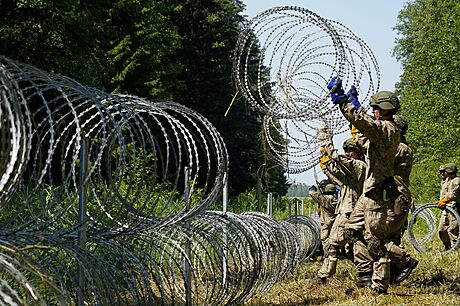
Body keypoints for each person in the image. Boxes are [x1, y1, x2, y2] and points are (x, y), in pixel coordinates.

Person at [328, 77, 400, 294]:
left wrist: (344, 103)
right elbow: (362, 135)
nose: (373, 111)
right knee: (352, 230)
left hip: (378, 192)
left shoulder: (386, 129)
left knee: (376, 239)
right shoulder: (382, 131)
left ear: (384, 109)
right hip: (370, 191)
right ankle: (366, 274)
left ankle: (381, 284)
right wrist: (355, 107)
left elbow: (365, 123)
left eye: (375, 108)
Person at [314, 136, 366, 284]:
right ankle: (366, 272)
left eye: (352, 151)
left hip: (351, 212)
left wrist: (327, 145)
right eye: (347, 151)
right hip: (348, 211)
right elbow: (338, 176)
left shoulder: (360, 166)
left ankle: (325, 274)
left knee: (334, 242)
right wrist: (327, 166)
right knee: (353, 246)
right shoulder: (352, 171)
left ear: (359, 152)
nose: (349, 153)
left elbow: (342, 161)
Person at [309, 182, 338, 258]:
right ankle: (334, 254)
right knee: (334, 240)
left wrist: (313, 188)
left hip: (325, 223)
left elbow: (312, 193)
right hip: (335, 223)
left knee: (325, 240)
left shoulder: (324, 199)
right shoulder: (338, 199)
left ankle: (327, 256)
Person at [437, 163, 460, 250]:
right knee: (441, 230)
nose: (442, 173)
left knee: (453, 230)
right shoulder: (445, 181)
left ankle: (456, 248)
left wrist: (444, 201)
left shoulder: (456, 180)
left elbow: (452, 195)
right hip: (445, 210)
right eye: (441, 172)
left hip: (454, 209)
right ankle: (447, 247)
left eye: (444, 171)